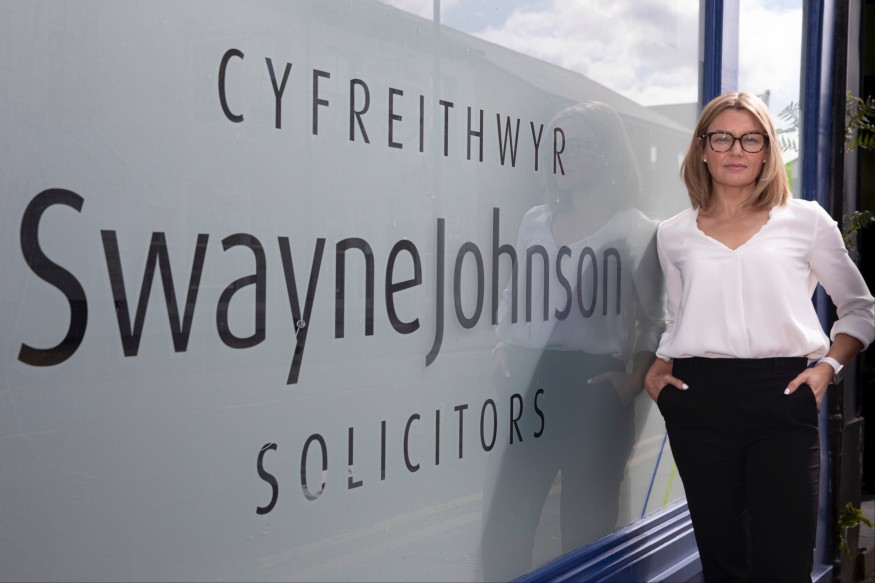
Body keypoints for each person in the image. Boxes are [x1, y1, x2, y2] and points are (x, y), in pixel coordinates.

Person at [644, 91, 875, 582]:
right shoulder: (673, 233)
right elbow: (677, 317)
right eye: (722, 138)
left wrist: (827, 369)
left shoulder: (806, 221)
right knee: (722, 563)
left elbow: (859, 308)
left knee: (784, 565)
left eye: (751, 139)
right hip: (698, 400)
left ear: (768, 151)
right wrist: (660, 370)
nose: (736, 150)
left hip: (782, 396)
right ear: (702, 148)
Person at [480, 101, 664, 581]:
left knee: (585, 534)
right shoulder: (533, 221)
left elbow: (654, 319)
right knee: (504, 530)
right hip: (529, 378)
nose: (562, 156)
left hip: (593, 384)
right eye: (555, 146)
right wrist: (503, 345)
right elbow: (515, 291)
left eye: (576, 146)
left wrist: (631, 382)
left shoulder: (634, 229)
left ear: (607, 154)